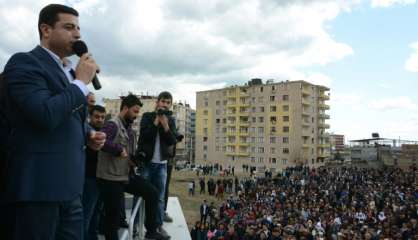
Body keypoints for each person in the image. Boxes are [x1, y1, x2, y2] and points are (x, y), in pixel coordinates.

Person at [0, 4, 106, 240]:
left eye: (78, 28)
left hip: (71, 190)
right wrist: (79, 84)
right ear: (46, 30)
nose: (77, 34)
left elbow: (66, 118)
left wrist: (88, 133)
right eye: (69, 27)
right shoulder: (24, 63)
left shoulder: (68, 71)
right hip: (38, 190)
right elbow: (44, 114)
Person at [96, 94, 168, 240]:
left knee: (152, 193)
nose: (136, 116)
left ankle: (151, 231)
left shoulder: (127, 128)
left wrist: (132, 160)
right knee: (113, 218)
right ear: (125, 108)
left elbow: (125, 154)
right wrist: (118, 150)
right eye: (135, 112)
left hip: (125, 175)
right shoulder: (112, 124)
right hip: (110, 178)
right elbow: (101, 141)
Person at [135, 91, 177, 239]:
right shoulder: (147, 117)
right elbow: (145, 136)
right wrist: (156, 122)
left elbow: (172, 140)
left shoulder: (171, 120)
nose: (165, 105)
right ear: (157, 102)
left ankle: (157, 227)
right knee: (141, 195)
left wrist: (165, 125)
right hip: (146, 163)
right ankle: (135, 226)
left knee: (159, 197)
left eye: (168, 103)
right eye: (163, 101)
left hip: (162, 165)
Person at [82, 105, 106, 240]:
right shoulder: (87, 133)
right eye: (97, 117)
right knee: (87, 213)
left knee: (96, 212)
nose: (100, 119)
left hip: (100, 177)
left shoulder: (103, 132)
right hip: (89, 178)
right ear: (90, 117)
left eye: (102, 117)